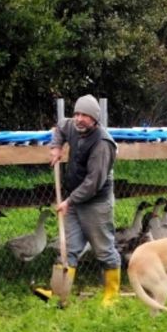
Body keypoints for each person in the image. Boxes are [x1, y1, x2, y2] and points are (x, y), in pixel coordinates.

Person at [34, 94, 122, 306]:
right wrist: (56, 147)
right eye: (77, 114)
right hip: (74, 200)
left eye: (85, 115)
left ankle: (111, 296)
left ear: (95, 119)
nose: (79, 119)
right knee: (68, 247)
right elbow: (60, 127)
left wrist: (69, 201)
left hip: (96, 204)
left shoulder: (103, 143)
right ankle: (56, 294)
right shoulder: (73, 125)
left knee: (104, 249)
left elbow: (94, 183)